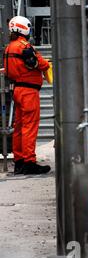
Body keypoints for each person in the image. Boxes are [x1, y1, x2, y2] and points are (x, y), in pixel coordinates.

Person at [2, 16, 51, 175]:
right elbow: (41, 63)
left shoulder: (9, 47)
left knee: (19, 128)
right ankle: (29, 162)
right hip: (29, 92)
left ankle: (19, 162)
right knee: (30, 127)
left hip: (17, 90)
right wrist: (46, 64)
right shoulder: (24, 46)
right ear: (23, 28)